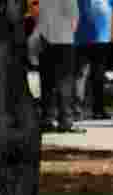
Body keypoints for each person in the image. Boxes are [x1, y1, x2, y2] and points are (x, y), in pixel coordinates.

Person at [38, 0, 86, 132]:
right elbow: (74, 16)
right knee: (64, 83)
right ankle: (65, 121)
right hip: (63, 40)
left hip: (45, 40)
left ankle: (47, 119)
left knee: (47, 83)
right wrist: (70, 33)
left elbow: (40, 15)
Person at [75, 0, 113, 120]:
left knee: (81, 75)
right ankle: (98, 110)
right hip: (100, 37)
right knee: (97, 76)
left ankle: (77, 111)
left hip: (82, 37)